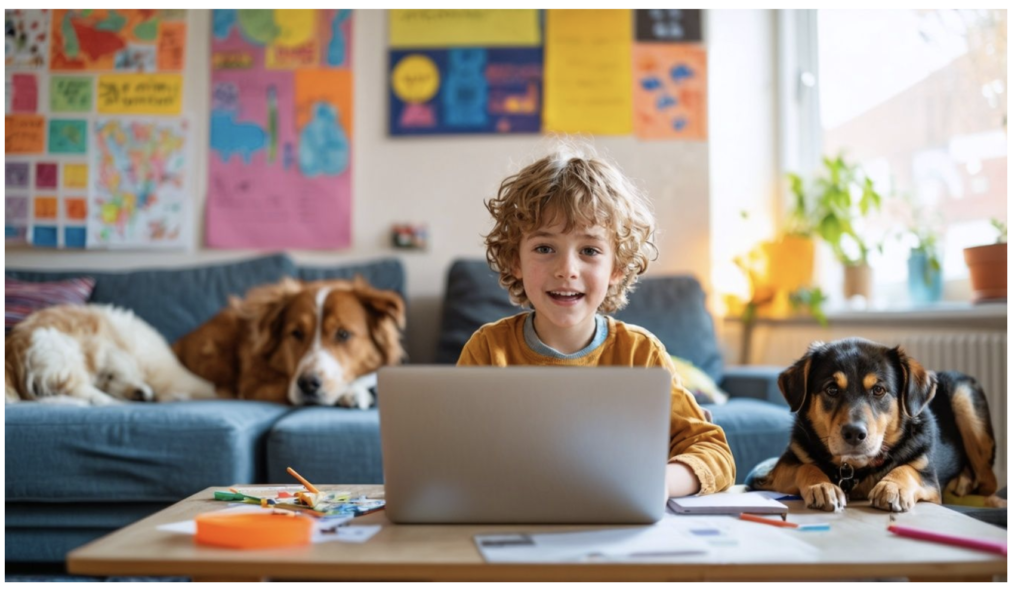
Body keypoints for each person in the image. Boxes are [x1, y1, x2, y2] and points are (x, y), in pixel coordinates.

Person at [457, 146, 735, 497]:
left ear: (616, 267)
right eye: (545, 248)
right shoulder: (487, 350)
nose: (566, 269)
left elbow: (714, 453)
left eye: (589, 251)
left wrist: (659, 483)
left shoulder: (640, 353)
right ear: (515, 260)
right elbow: (452, 454)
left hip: (617, 523)